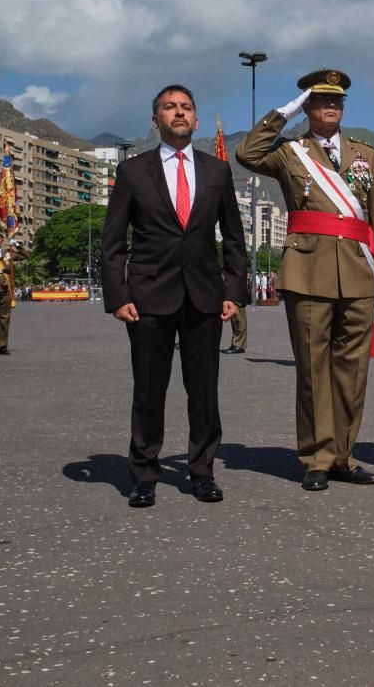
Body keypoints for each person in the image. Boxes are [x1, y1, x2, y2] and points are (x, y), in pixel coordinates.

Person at [235, 68, 374, 491]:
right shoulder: (291, 152)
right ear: (307, 106)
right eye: (321, 99)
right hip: (307, 271)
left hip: (358, 273)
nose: (331, 106)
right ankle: (316, 459)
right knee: (311, 368)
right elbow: (247, 154)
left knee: (353, 370)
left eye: (337, 100)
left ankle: (344, 455)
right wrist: (283, 113)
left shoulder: (367, 154)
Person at [101, 84, 247, 506]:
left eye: (186, 107)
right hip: (147, 297)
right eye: (169, 107)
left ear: (196, 120)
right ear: (155, 121)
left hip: (204, 295)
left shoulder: (217, 172)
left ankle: (201, 470)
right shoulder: (132, 172)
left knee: (203, 391)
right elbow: (113, 242)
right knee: (149, 389)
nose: (178, 113)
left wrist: (234, 290)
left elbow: (234, 238)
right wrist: (118, 295)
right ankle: (144, 473)